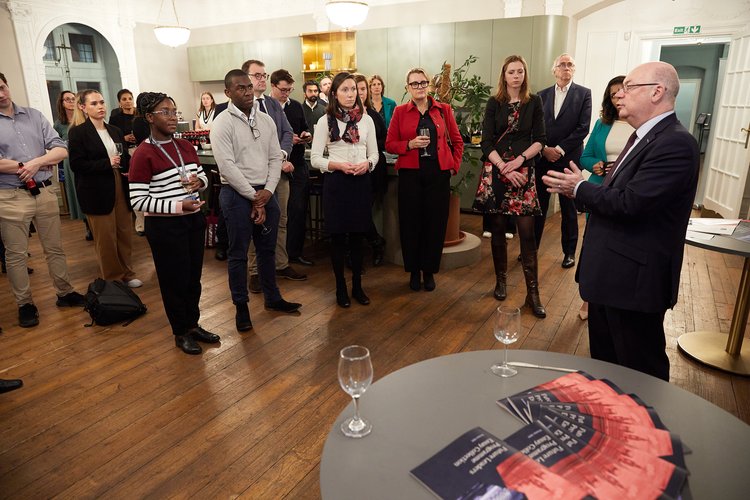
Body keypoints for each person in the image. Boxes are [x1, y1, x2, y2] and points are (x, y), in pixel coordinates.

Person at [542, 61, 700, 381]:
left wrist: (579, 188)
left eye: (629, 87)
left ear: (657, 92)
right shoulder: (643, 136)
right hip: (611, 276)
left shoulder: (675, 143)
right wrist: (583, 186)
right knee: (607, 370)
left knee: (639, 377)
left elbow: (632, 203)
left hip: (633, 283)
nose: (620, 95)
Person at [129, 92, 219, 355]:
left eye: (174, 111)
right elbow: (138, 200)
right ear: (149, 117)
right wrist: (179, 206)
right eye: (165, 112)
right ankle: (180, 332)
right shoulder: (143, 154)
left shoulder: (185, 146)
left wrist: (198, 183)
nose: (173, 117)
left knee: (193, 279)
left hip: (193, 221)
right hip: (165, 229)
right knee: (174, 281)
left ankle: (193, 324)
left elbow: (202, 176)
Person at [211, 69, 301, 332]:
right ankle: (241, 307)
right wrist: (254, 198)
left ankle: (272, 298)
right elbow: (226, 166)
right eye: (241, 88)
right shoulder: (222, 123)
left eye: (249, 87)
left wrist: (268, 192)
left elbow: (276, 157)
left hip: (265, 191)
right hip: (237, 194)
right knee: (238, 254)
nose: (248, 91)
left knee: (267, 250)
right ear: (228, 92)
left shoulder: (266, 120)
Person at [0, 72, 85, 328]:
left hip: (45, 191)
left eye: (2, 87)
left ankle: (65, 292)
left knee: (55, 248)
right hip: (10, 196)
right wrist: (27, 165)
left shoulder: (35, 115)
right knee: (15, 255)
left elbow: (60, 149)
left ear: (7, 85)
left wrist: (35, 162)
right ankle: (25, 304)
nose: (1, 95)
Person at [474, 55, 547, 318]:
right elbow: (486, 142)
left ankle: (533, 294)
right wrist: (503, 166)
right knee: (497, 230)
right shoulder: (494, 103)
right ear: (504, 75)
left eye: (520, 71)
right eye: (511, 72)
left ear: (525, 74)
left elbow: (540, 140)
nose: (516, 76)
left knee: (527, 233)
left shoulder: (534, 102)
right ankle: (501, 281)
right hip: (495, 171)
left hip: (522, 170)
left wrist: (518, 161)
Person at [385, 68, 463, 292]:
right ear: (407, 87)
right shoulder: (400, 112)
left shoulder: (443, 110)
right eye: (414, 84)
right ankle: (414, 271)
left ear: (429, 85)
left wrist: (453, 167)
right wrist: (409, 144)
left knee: (435, 224)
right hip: (410, 175)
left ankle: (429, 271)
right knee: (411, 224)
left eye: (423, 83)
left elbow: (457, 142)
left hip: (438, 175)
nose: (419, 87)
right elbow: (390, 144)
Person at [310, 72, 380, 307]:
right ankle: (341, 287)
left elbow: (374, 154)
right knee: (338, 239)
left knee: (358, 237)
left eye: (354, 89)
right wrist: (337, 165)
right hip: (336, 183)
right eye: (345, 90)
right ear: (334, 94)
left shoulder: (366, 120)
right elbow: (315, 159)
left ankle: (358, 286)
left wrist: (367, 164)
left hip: (360, 182)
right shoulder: (325, 121)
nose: (351, 94)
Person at [241, 59, 307, 293]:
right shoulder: (239, 106)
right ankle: (254, 271)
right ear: (244, 78)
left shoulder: (273, 104)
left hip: (278, 174)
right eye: (256, 75)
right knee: (255, 221)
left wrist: (281, 155)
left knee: (281, 220)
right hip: (253, 177)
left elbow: (288, 132)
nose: (261, 79)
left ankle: (280, 264)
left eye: (263, 75)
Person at [68, 89, 141, 288]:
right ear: (82, 107)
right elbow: (77, 165)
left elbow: (122, 157)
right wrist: (105, 163)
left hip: (119, 182)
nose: (100, 106)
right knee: (106, 237)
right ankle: (113, 278)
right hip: (96, 189)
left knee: (124, 232)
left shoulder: (114, 130)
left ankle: (127, 272)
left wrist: (130, 161)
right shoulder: (77, 132)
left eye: (101, 102)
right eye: (94, 103)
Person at [577, 75, 633, 321]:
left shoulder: (641, 123)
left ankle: (616, 301)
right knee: (593, 247)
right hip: (600, 190)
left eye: (622, 90)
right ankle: (589, 300)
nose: (619, 96)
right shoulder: (603, 123)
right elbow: (585, 155)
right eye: (613, 94)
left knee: (620, 248)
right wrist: (595, 165)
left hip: (627, 193)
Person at [534, 53, 592, 269]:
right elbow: (537, 127)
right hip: (544, 158)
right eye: (562, 64)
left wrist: (558, 149)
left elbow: (583, 128)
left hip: (569, 159)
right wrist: (545, 149)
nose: (566, 68)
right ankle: (532, 250)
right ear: (554, 70)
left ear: (574, 70)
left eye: (570, 65)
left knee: (568, 209)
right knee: (539, 206)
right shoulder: (541, 95)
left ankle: (569, 253)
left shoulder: (584, 94)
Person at [270, 69, 315, 267]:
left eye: (290, 89)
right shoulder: (265, 108)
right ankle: (274, 257)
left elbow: (304, 127)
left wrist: (305, 136)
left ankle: (293, 254)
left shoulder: (296, 106)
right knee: (277, 215)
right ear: (273, 86)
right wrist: (288, 140)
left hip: (297, 164)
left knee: (297, 212)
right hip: (274, 167)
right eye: (283, 90)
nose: (286, 93)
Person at [354, 73, 387, 266]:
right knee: (356, 212)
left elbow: (385, 140)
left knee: (362, 211)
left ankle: (375, 244)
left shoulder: (373, 115)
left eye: (362, 89)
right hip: (352, 171)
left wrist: (369, 145)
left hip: (373, 170)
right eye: (356, 89)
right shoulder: (342, 117)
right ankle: (376, 242)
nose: (359, 92)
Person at [53, 90, 91, 240]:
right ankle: (87, 224)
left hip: (88, 158)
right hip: (71, 162)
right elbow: (55, 145)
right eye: (67, 99)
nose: (70, 102)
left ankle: (95, 221)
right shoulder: (59, 124)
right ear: (61, 104)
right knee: (78, 193)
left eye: (73, 99)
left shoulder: (84, 118)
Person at [109, 89, 144, 235]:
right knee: (133, 187)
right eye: (124, 99)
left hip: (142, 150)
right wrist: (124, 138)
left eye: (130, 98)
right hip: (127, 153)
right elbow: (113, 139)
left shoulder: (140, 116)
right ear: (119, 102)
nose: (128, 101)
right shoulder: (116, 119)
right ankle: (140, 223)